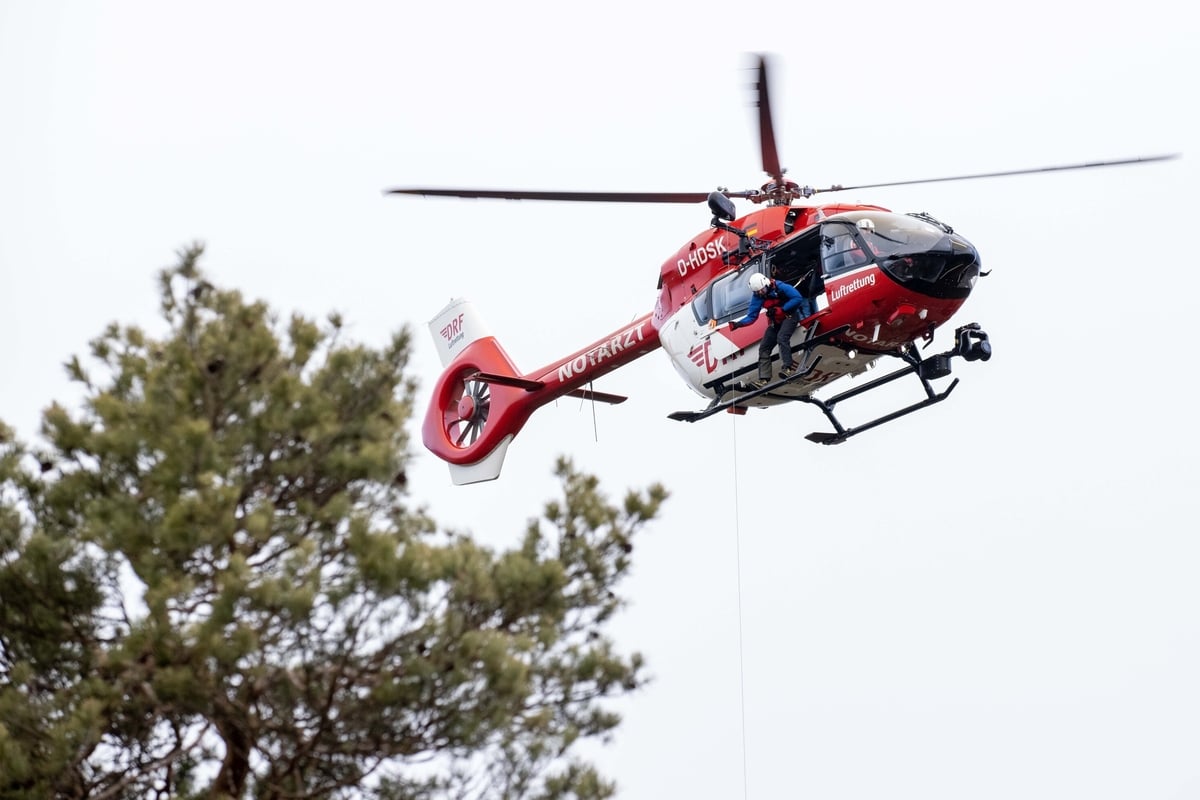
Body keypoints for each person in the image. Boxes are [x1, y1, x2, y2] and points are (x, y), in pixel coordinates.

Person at [728, 272, 813, 389]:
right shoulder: (757, 297)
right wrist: (738, 324)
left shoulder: (780, 287)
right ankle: (763, 379)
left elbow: (797, 298)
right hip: (776, 322)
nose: (760, 293)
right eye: (757, 292)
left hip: (789, 317)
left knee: (782, 338)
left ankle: (787, 368)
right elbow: (752, 316)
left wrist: (782, 309)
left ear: (766, 284)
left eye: (761, 290)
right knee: (764, 348)